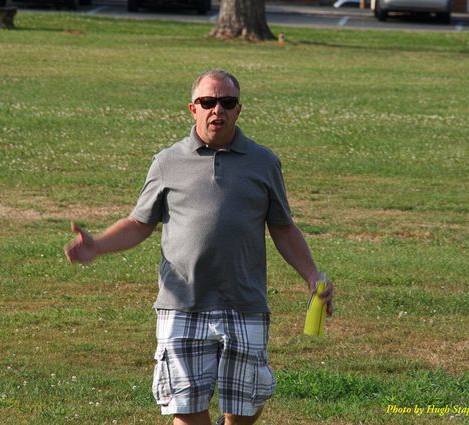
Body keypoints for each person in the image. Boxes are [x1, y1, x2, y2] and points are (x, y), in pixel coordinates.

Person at [64, 69, 334, 425]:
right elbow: (139, 223)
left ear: (239, 109)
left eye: (227, 102)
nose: (217, 110)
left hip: (244, 302)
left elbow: (282, 227)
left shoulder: (263, 162)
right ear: (193, 109)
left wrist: (312, 274)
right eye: (208, 102)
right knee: (187, 412)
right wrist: (98, 245)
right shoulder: (167, 162)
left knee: (245, 409)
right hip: (183, 304)